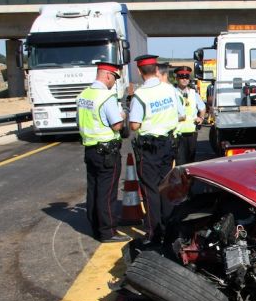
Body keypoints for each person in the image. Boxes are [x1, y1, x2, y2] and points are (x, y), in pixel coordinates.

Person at [128, 54, 185, 243]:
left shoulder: (140, 95)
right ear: (156, 70)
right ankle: (169, 228)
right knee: (166, 186)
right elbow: (181, 115)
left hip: (149, 148)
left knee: (150, 190)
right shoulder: (170, 90)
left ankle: (155, 232)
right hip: (168, 145)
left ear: (139, 71)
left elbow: (134, 125)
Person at [76, 62, 130, 243]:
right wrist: (122, 116)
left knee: (93, 190)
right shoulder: (106, 97)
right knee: (107, 193)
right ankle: (108, 231)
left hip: (90, 149)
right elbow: (116, 125)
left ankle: (95, 226)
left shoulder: (83, 95)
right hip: (107, 151)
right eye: (114, 78)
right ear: (107, 75)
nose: (114, 82)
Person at [174, 66, 206, 165]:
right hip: (177, 133)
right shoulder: (172, 93)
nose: (184, 79)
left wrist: (201, 118)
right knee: (180, 162)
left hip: (192, 133)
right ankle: (181, 180)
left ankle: (189, 181)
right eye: (181, 77)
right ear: (176, 78)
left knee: (190, 161)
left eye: (186, 77)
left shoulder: (193, 93)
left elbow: (202, 108)